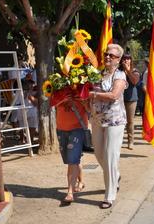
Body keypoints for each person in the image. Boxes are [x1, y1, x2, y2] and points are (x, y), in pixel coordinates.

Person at [89, 44, 127, 209]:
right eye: (106, 54)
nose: (107, 57)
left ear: (118, 59)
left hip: (114, 121)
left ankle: (109, 195)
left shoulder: (119, 75)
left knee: (111, 156)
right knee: (99, 154)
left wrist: (94, 94)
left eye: (111, 55)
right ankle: (115, 175)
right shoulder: (98, 74)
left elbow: (113, 95)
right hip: (97, 120)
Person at [56, 98, 88, 205]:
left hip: (77, 127)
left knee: (72, 160)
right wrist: (62, 100)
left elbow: (89, 106)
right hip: (61, 126)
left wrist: (77, 100)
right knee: (73, 158)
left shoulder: (83, 85)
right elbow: (50, 102)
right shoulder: (55, 85)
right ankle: (81, 182)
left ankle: (70, 192)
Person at [120, 54, 140, 150]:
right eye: (124, 59)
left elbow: (135, 81)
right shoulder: (118, 71)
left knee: (130, 121)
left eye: (128, 58)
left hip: (131, 99)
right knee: (119, 121)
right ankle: (118, 140)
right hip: (119, 98)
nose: (126, 60)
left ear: (131, 60)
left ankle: (130, 141)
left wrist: (128, 70)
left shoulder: (134, 71)